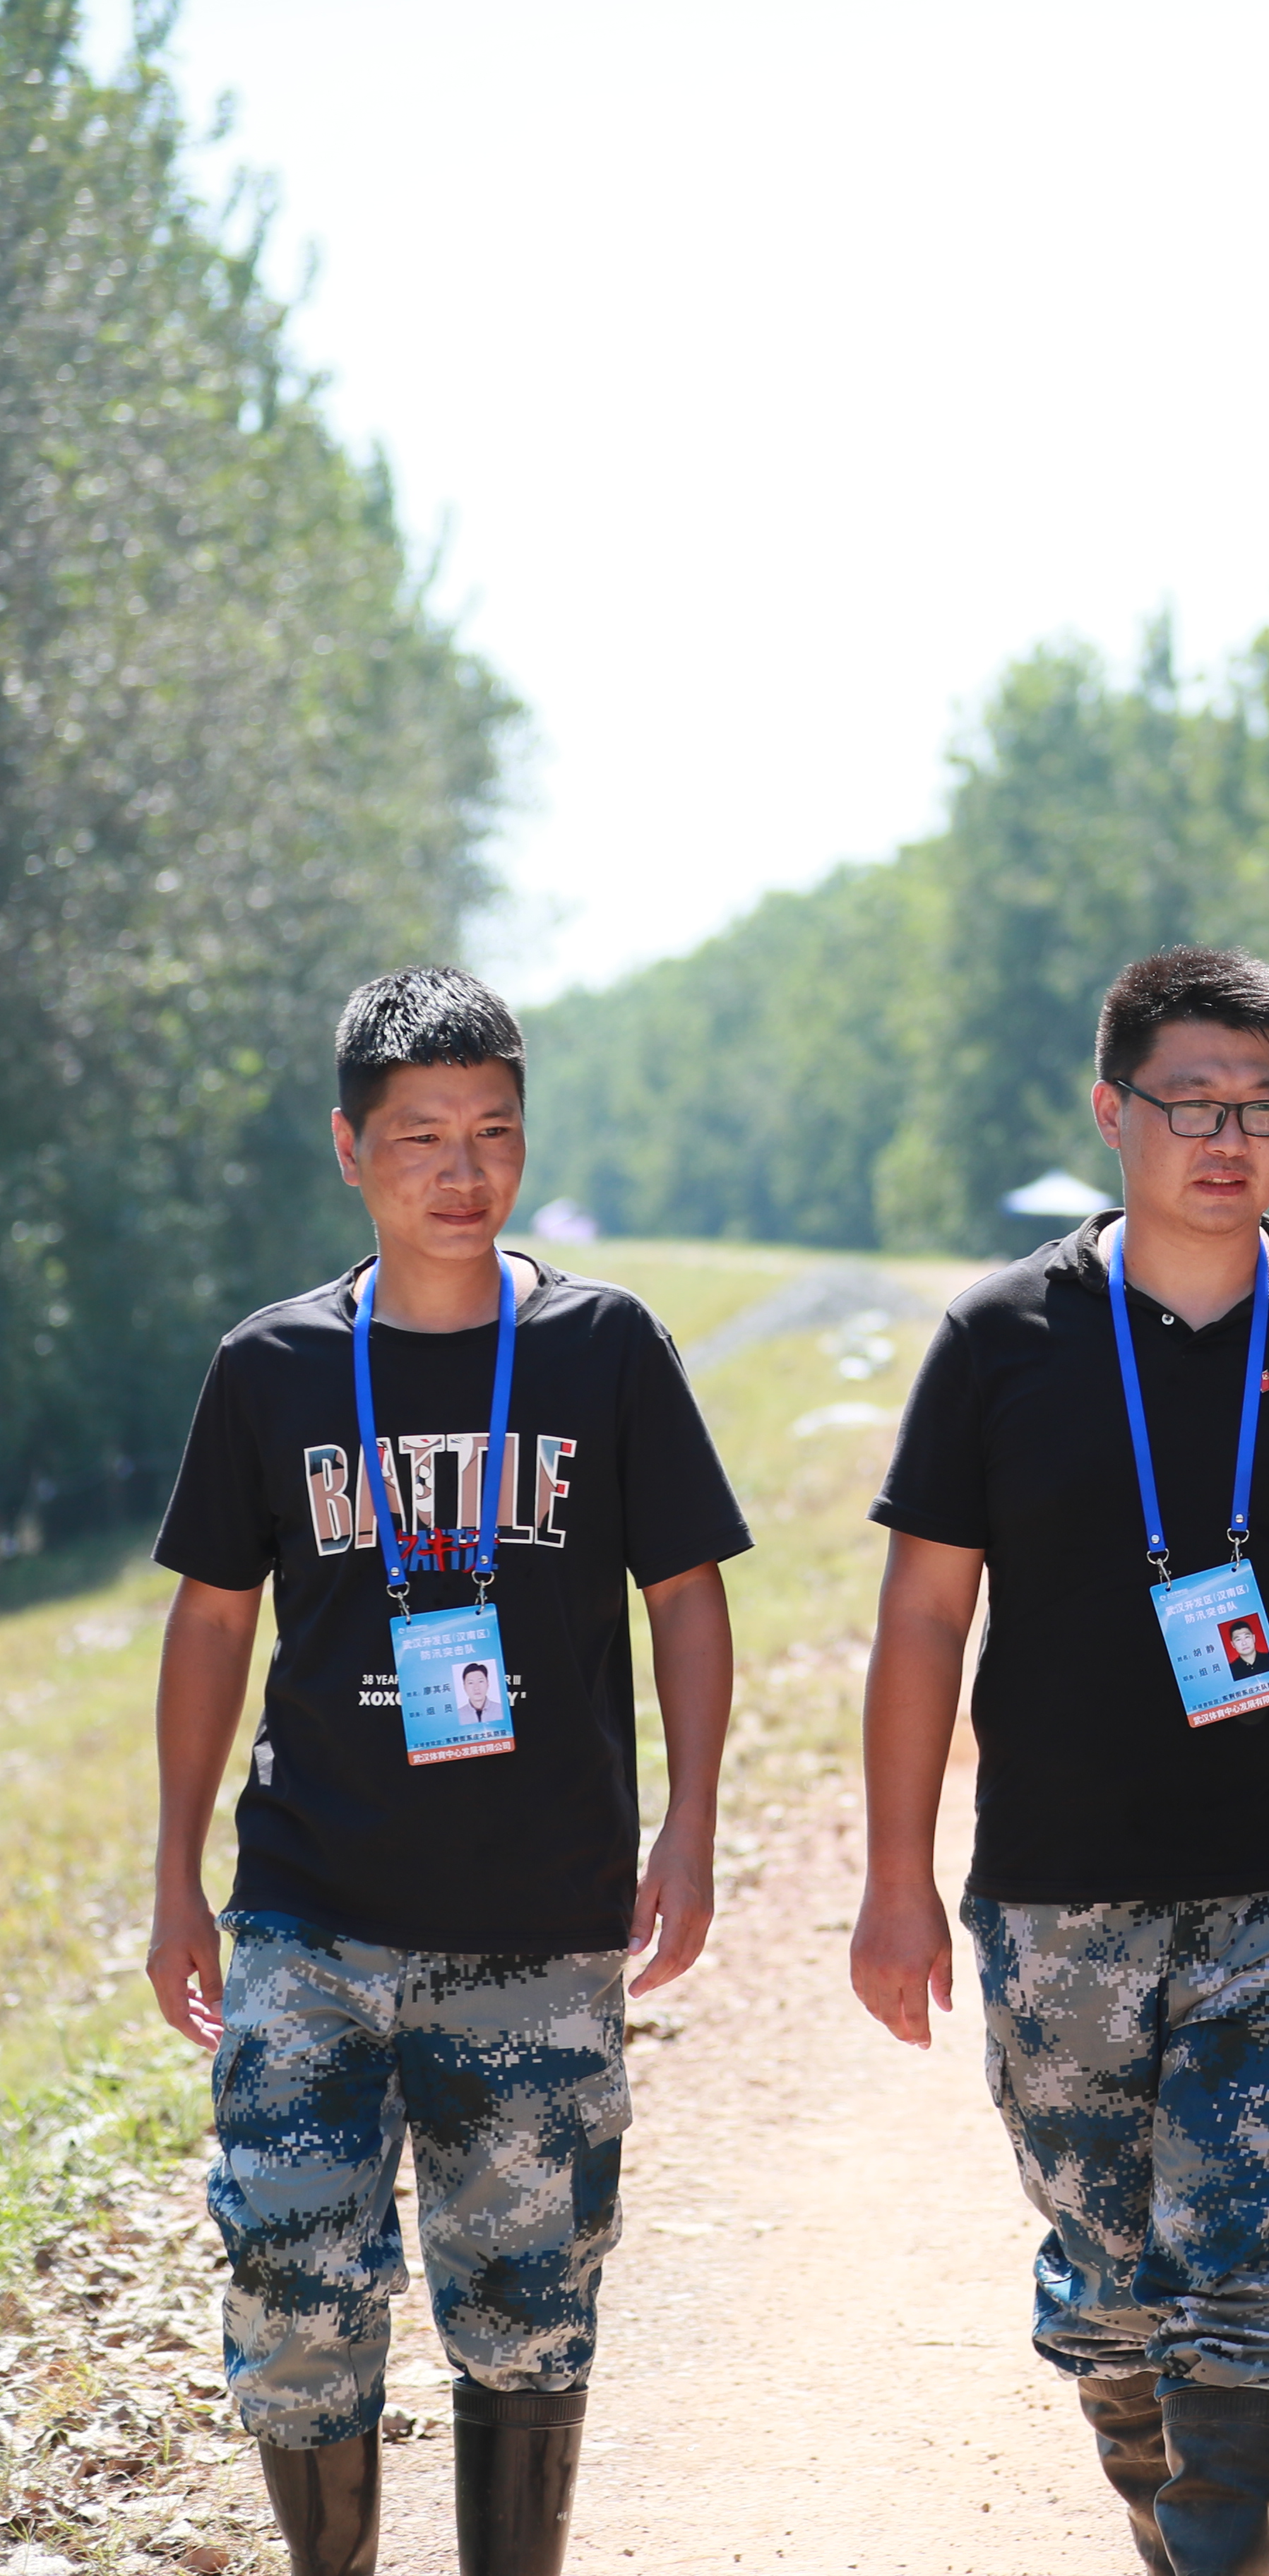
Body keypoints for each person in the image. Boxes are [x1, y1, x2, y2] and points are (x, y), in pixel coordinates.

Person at [849, 946, 1269, 2576]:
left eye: (1262, 1108)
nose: (1228, 1139)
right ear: (1110, 1112)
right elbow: (924, 1620)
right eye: (1191, 1104)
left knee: (1250, 2275)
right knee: (1114, 2289)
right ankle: (1173, 2508)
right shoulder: (1002, 1338)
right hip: (1060, 1894)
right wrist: (896, 1886)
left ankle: (1221, 2545)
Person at [144, 967, 749, 2576]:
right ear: (351, 1150)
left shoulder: (602, 1348)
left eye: (493, 1129)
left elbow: (685, 1596)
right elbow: (210, 1629)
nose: (461, 1170)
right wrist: (173, 1880)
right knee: (291, 2287)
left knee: (529, 2306)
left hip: (540, 1920)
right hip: (307, 1915)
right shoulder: (271, 1365)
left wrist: (690, 1828)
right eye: (420, 1136)